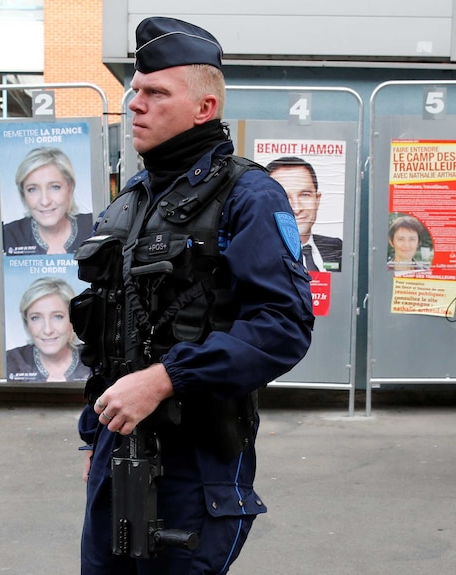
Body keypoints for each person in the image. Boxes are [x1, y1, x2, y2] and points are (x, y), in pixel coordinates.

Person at [73, 17, 314, 574]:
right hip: (119, 451)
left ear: (204, 108)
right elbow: (111, 330)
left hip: (196, 458)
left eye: (155, 92)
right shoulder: (134, 197)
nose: (135, 102)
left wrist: (164, 379)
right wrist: (95, 437)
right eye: (135, 89)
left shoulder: (249, 194)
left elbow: (283, 327)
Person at [3, 147, 94, 255]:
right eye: (32, 189)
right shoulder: (7, 236)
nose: (45, 201)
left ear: (70, 188)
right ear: (23, 194)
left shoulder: (95, 227)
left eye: (54, 187)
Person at [6, 277, 91, 383]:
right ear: (27, 322)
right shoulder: (10, 361)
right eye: (35, 318)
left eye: (58, 317)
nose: (47, 330)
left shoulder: (93, 361)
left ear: (72, 320)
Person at [266, 156, 343, 272]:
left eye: (305, 195)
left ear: (317, 199)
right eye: (284, 197)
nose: (296, 209)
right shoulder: (258, 255)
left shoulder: (337, 248)